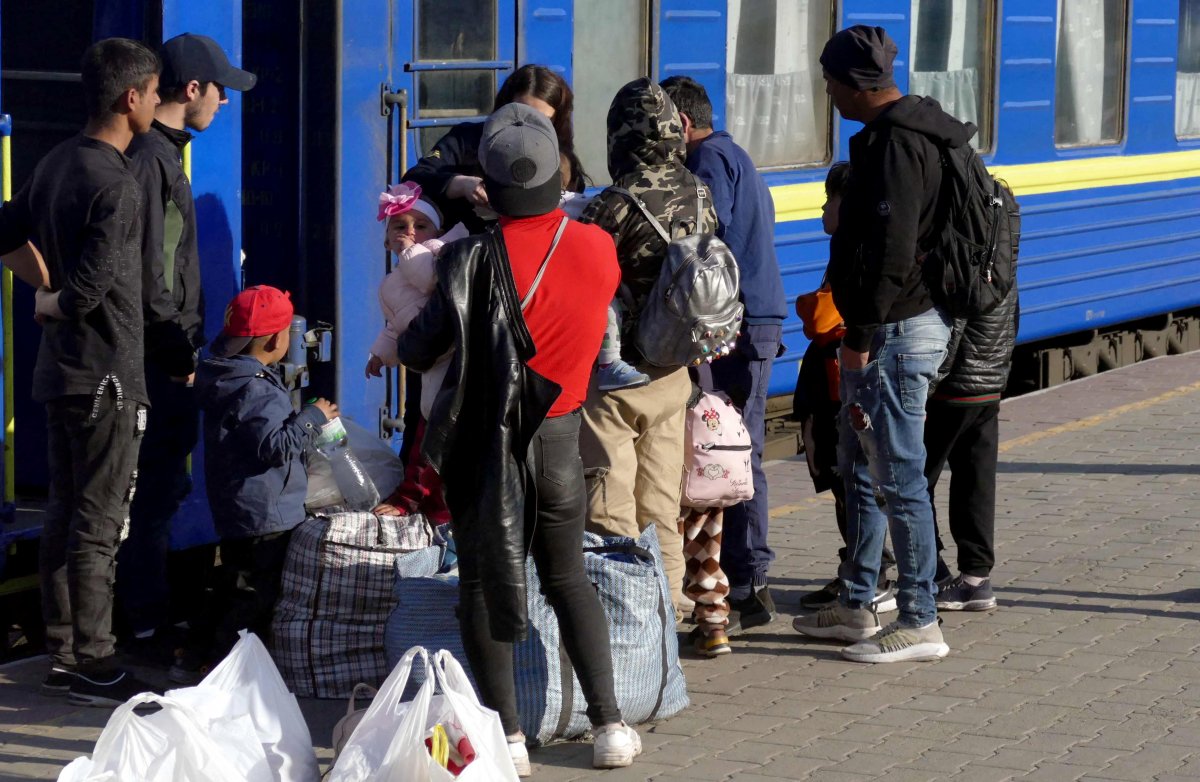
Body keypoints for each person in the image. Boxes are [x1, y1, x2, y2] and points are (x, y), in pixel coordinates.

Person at [397, 103, 641, 775]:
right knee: (567, 577)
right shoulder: (596, 245)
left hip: (486, 445)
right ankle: (610, 726)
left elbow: (423, 349)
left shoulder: (468, 258)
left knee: (482, 582)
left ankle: (507, 740)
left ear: (491, 184)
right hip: (560, 436)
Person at [793, 25, 964, 664]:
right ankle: (857, 603)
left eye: (832, 82)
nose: (829, 94)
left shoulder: (897, 146)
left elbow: (889, 256)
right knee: (861, 469)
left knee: (899, 478)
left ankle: (920, 619)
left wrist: (860, 336)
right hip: (903, 324)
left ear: (855, 84)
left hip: (893, 330)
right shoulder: (919, 133)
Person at [0, 38, 160, 706]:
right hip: (107, 380)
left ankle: (63, 652)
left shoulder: (59, 161)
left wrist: (41, 285)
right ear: (130, 99)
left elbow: (5, 229)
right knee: (98, 525)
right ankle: (93, 660)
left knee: (66, 516)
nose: (157, 102)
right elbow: (91, 289)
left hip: (61, 373)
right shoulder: (117, 184)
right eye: (154, 93)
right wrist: (52, 298)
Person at [117, 32, 257, 654]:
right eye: (219, 88)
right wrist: (177, 354)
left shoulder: (160, 156)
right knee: (154, 492)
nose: (225, 101)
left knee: (161, 488)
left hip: (160, 353)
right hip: (158, 360)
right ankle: (143, 626)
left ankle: (149, 616)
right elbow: (153, 268)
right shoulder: (154, 162)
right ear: (192, 89)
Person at [578, 78, 717, 618]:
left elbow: (582, 278)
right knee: (660, 498)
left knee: (609, 500)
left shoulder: (614, 204)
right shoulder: (699, 190)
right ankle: (670, 601)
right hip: (675, 371)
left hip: (620, 382)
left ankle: (622, 614)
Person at [660, 74, 787, 630]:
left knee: (732, 453)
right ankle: (746, 580)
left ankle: (747, 583)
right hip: (755, 318)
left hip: (736, 324)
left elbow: (707, 243)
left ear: (681, 124)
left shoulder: (708, 161)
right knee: (738, 449)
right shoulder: (736, 153)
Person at [185, 286, 337, 680]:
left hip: (239, 506)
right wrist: (313, 416)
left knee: (233, 582)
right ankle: (224, 666)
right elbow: (276, 447)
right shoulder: (257, 390)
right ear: (276, 340)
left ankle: (200, 651)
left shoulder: (222, 375)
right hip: (266, 514)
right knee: (254, 595)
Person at [793, 163, 897, 613]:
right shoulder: (858, 248)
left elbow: (820, 319)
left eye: (829, 198)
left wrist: (806, 304)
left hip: (839, 386)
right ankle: (862, 569)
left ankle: (868, 575)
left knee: (848, 485)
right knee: (848, 488)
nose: (822, 206)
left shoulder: (851, 252)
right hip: (836, 382)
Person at [365, 181, 465, 523]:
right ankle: (429, 505)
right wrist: (381, 354)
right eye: (400, 227)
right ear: (386, 238)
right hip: (430, 364)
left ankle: (430, 505)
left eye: (420, 226)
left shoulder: (435, 253)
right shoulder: (393, 281)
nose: (410, 233)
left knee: (434, 435)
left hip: (450, 361)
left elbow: (428, 280)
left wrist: (412, 251)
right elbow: (396, 325)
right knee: (429, 432)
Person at [925, 283, 1019, 612]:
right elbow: (1012, 318)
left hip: (953, 387)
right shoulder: (1003, 250)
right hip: (987, 384)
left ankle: (930, 574)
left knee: (916, 481)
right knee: (975, 479)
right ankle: (976, 580)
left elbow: (956, 325)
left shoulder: (963, 254)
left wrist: (929, 383)